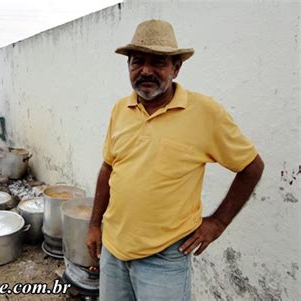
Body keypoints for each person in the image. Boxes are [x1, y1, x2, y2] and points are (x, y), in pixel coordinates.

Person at [86, 19, 265, 301]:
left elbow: (251, 167)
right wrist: (95, 224)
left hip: (165, 259)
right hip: (113, 250)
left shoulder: (205, 112)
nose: (146, 70)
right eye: (137, 62)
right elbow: (108, 167)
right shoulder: (121, 109)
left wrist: (217, 222)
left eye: (158, 62)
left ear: (176, 68)